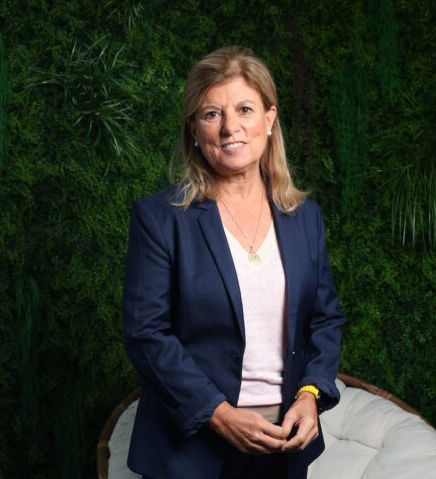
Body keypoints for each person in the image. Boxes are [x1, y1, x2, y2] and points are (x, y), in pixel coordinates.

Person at [122, 46, 345, 479]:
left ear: (269, 118)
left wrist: (310, 396)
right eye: (212, 114)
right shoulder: (160, 219)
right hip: (189, 452)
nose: (230, 128)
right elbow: (146, 333)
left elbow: (325, 320)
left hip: (282, 445)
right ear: (193, 130)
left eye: (245, 109)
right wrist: (219, 414)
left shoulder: (304, 218)